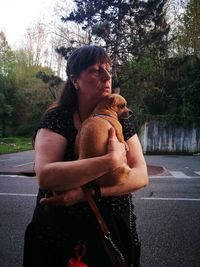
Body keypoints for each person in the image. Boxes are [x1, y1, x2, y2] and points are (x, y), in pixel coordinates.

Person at [23, 45, 148, 267]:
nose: (107, 76)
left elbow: (141, 176)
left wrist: (89, 193)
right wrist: (110, 161)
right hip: (59, 235)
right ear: (75, 80)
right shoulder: (58, 118)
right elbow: (46, 176)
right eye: (95, 70)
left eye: (108, 69)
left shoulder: (121, 119)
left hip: (112, 229)